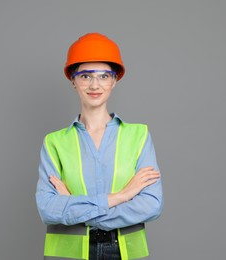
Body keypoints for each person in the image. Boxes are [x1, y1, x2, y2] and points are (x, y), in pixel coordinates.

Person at [36, 32, 164, 260]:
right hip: (67, 255)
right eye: (85, 76)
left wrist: (74, 207)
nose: (95, 84)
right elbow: (48, 209)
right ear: (73, 80)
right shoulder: (54, 142)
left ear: (114, 80)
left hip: (126, 253)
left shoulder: (139, 135)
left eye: (104, 76)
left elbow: (151, 205)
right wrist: (120, 196)